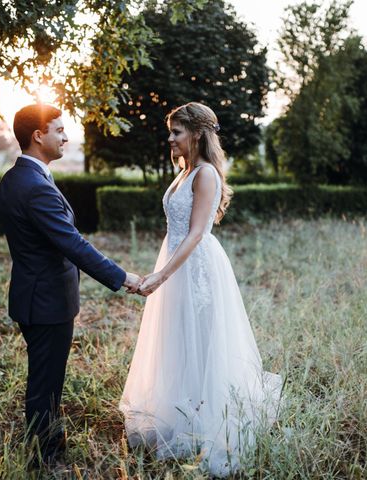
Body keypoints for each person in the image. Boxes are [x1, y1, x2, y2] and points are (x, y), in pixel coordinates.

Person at [120, 102, 281, 476]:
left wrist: (160, 277)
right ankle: (181, 410)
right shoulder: (184, 172)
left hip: (197, 269)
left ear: (196, 134)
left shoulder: (205, 173)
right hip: (175, 260)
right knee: (178, 337)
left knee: (203, 340)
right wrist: (161, 271)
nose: (170, 138)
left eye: (176, 132)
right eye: (171, 131)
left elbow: (196, 234)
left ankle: (209, 420)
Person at [0, 104, 142, 467]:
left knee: (46, 378)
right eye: (59, 130)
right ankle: (43, 458)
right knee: (45, 383)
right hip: (46, 301)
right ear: (38, 136)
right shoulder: (35, 186)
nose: (66, 136)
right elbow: (73, 243)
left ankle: (50, 443)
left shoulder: (16, 178)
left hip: (34, 295)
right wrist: (122, 277)